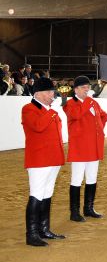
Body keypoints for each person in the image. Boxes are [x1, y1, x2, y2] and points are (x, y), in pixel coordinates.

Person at [21, 77, 66, 246]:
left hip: (53, 158)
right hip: (39, 159)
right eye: (49, 92)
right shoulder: (29, 109)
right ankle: (31, 234)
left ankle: (44, 229)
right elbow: (38, 126)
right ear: (38, 93)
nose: (52, 94)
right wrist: (52, 112)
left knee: (47, 194)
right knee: (36, 194)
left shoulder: (49, 110)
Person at [64, 75, 107, 222]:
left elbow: (104, 115)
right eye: (83, 87)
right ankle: (74, 212)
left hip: (94, 146)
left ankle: (88, 208)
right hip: (80, 147)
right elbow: (76, 115)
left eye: (87, 87)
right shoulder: (70, 104)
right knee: (76, 179)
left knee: (92, 178)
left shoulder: (93, 103)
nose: (87, 89)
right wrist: (88, 101)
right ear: (76, 89)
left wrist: (99, 130)